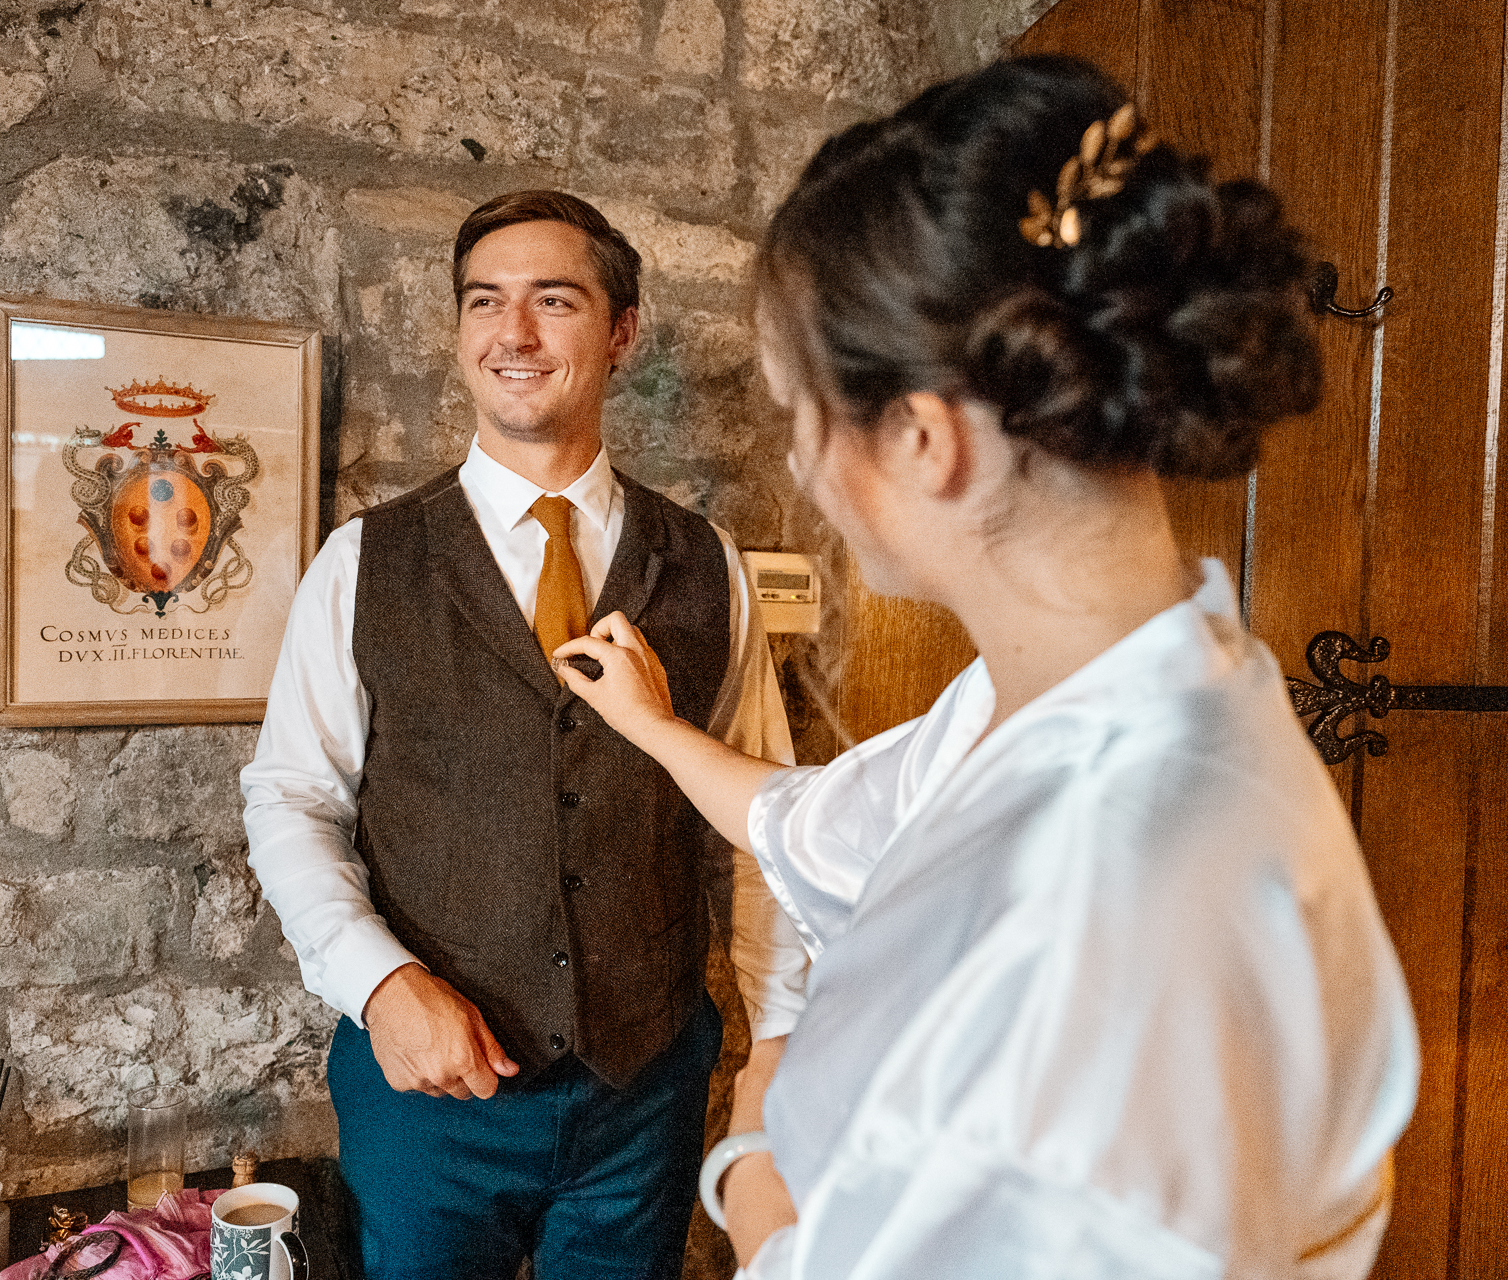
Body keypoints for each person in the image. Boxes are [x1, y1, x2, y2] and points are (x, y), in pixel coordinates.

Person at [554, 55, 1420, 1279]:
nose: (801, 472)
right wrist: (649, 723)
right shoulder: (1089, 688)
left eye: (799, 413)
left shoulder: (1110, 930)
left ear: (921, 438)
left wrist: (751, 1156)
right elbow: (823, 824)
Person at [240, 189, 809, 1279]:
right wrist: (379, 984)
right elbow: (290, 795)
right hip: (426, 1093)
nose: (514, 333)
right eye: (485, 303)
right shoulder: (365, 564)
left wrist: (773, 1036)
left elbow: (761, 823)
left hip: (643, 1088)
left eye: (554, 300)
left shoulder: (709, 564)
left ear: (623, 330)